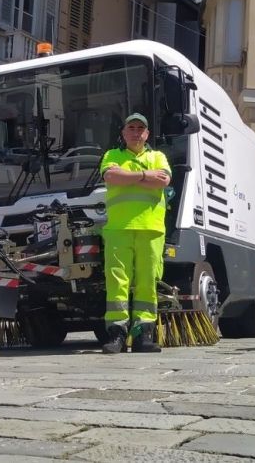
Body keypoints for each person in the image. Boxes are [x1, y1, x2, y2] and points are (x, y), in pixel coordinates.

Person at [99, 113, 171, 354]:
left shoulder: (158, 156)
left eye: (141, 128)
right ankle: (117, 334)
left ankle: (143, 334)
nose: (136, 132)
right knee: (117, 281)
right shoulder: (112, 155)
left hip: (151, 229)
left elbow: (163, 181)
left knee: (147, 282)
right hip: (119, 229)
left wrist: (127, 177)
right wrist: (144, 175)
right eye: (131, 128)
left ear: (147, 134)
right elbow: (111, 176)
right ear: (123, 132)